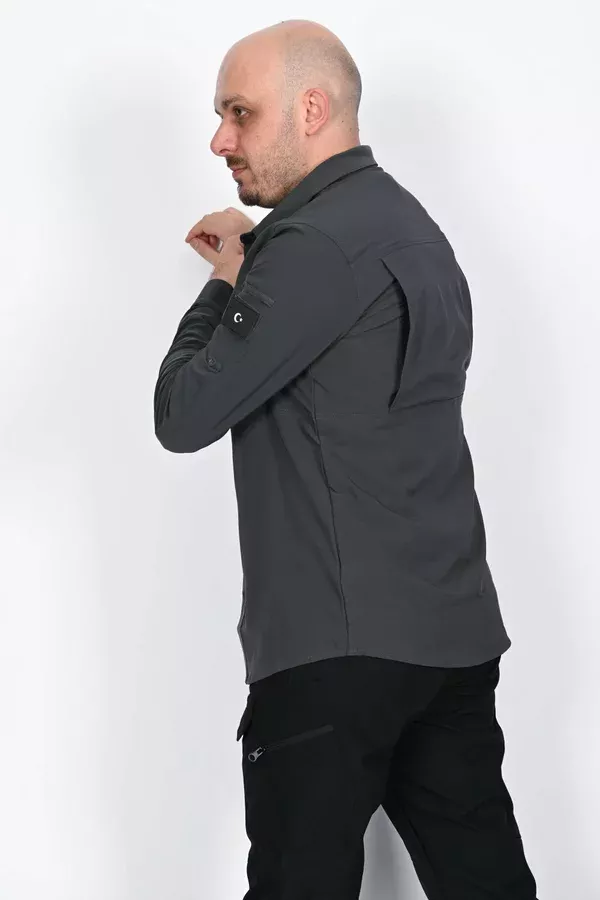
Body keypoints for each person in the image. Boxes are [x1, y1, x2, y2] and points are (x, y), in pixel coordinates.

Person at [153, 19, 539, 900]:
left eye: (240, 114)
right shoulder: (419, 234)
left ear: (312, 109)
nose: (220, 141)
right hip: (452, 642)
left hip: (334, 651)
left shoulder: (311, 245)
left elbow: (182, 413)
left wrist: (227, 277)